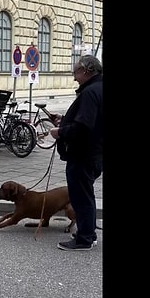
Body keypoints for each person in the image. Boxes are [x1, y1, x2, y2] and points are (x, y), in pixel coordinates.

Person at [49, 54, 103, 251]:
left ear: (87, 71)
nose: (74, 77)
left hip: (83, 155)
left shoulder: (89, 93)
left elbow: (83, 128)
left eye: (76, 72)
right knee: (85, 195)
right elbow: (93, 123)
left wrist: (60, 132)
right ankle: (88, 233)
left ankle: (84, 239)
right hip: (95, 153)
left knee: (81, 197)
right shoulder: (99, 89)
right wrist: (64, 120)